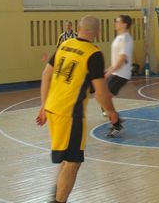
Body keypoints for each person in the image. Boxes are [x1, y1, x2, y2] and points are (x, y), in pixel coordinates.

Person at [36, 15, 121, 203]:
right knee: (73, 162)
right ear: (98, 32)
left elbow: (46, 75)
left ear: (77, 28)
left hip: (52, 108)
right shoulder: (93, 53)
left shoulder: (64, 45)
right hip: (70, 113)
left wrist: (43, 105)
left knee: (68, 158)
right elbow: (100, 92)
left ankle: (56, 195)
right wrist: (111, 112)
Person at [102, 15, 134, 118]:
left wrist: (109, 73)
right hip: (116, 72)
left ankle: (114, 119)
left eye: (118, 21)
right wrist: (108, 70)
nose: (115, 23)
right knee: (103, 95)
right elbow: (116, 60)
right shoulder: (119, 38)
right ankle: (111, 115)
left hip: (121, 74)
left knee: (105, 97)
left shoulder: (126, 39)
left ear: (124, 24)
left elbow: (122, 58)